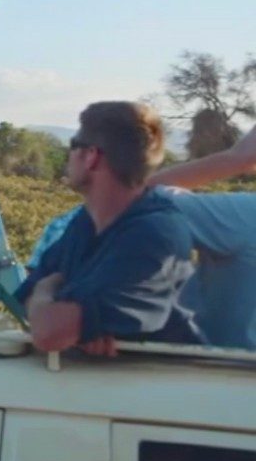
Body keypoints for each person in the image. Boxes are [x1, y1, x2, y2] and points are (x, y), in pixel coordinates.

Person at [27, 125, 256, 350]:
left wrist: (91, 312)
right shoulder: (244, 216)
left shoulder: (244, 217)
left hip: (195, 370)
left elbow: (132, 201)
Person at [14, 101, 203, 353]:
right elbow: (27, 299)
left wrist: (45, 293)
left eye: (73, 145)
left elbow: (49, 332)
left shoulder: (153, 235)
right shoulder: (87, 222)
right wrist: (65, 317)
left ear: (91, 156)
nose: (68, 156)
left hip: (171, 384)